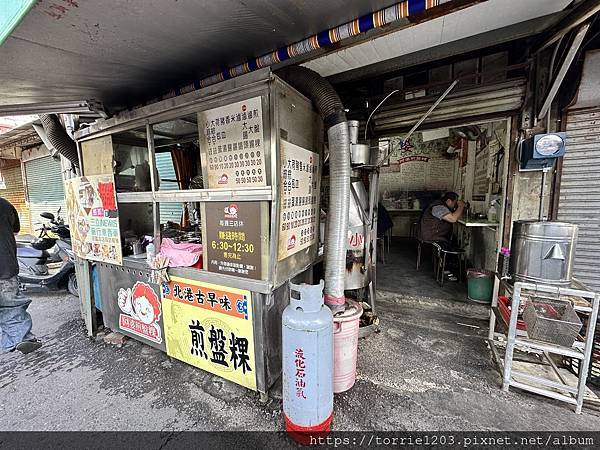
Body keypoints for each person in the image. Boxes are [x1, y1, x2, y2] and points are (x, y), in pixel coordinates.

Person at [0, 196, 42, 354]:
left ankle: (10, 341)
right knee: (11, 306)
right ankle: (21, 338)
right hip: (5, 267)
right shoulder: (4, 205)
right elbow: (16, 229)